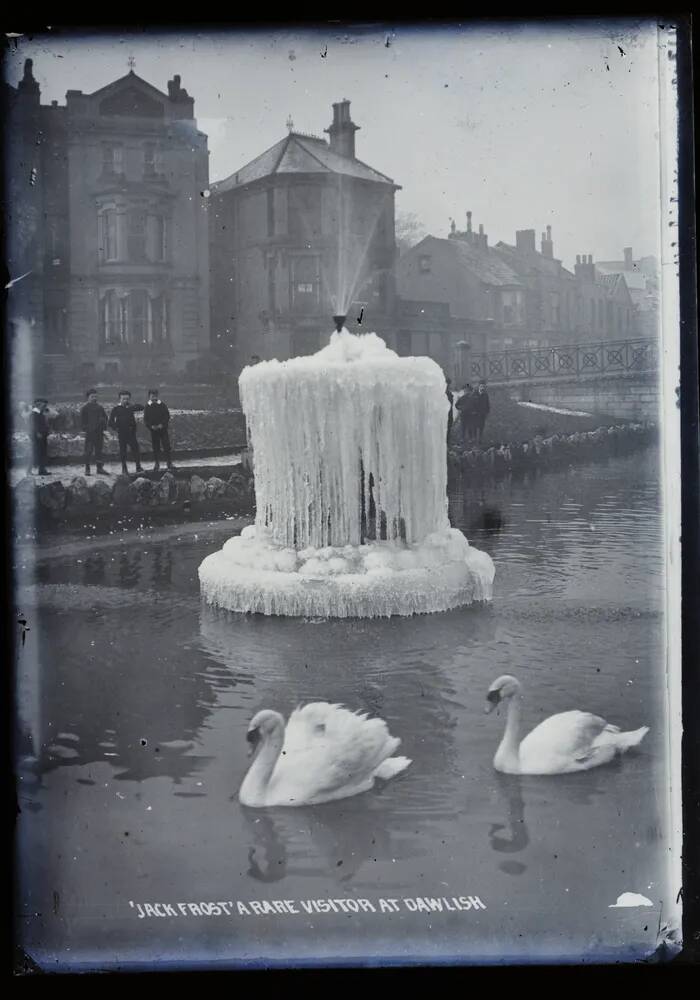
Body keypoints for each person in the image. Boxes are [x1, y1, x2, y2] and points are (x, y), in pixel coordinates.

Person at [109, 390, 144, 475]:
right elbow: (110, 421)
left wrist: (131, 405)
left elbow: (142, 407)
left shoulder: (131, 407)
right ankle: (124, 468)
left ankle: (138, 466)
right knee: (123, 451)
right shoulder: (116, 409)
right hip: (122, 433)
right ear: (119, 399)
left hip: (131, 432)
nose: (125, 401)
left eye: (127, 399)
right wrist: (116, 428)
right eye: (123, 399)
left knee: (135, 449)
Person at [144, 388, 175, 472]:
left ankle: (169, 463)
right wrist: (151, 426)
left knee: (166, 446)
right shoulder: (147, 406)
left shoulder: (162, 405)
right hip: (154, 431)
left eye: (155, 396)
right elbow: (146, 420)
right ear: (149, 396)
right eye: (152, 396)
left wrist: (162, 424)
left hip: (163, 430)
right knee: (156, 447)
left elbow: (167, 416)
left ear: (157, 396)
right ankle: (157, 463)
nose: (154, 397)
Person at [80, 388, 109, 476]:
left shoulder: (100, 407)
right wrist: (87, 429)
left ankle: (99, 468)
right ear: (88, 398)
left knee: (99, 451)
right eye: (92, 397)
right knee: (88, 451)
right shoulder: (84, 408)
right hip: (90, 433)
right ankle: (87, 469)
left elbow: (105, 418)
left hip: (99, 433)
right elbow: (82, 422)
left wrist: (103, 423)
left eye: (96, 397)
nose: (94, 398)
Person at [27, 398, 50, 476]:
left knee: (43, 453)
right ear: (38, 404)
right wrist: (37, 433)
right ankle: (29, 471)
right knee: (35, 453)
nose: (45, 406)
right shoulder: (33, 414)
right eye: (44, 405)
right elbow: (33, 425)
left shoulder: (41, 413)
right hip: (37, 437)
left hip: (43, 436)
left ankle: (42, 470)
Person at [473, 380, 491, 445]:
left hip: (482, 414)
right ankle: (474, 438)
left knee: (481, 426)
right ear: (478, 386)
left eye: (483, 386)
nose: (482, 388)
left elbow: (487, 404)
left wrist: (487, 412)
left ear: (485, 387)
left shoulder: (485, 395)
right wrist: (473, 411)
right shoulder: (474, 394)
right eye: (481, 386)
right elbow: (471, 403)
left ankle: (480, 438)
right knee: (474, 426)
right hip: (475, 414)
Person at [445, 378, 454, 443]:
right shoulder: (442, 393)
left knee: (449, 427)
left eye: (448, 384)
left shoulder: (449, 393)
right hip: (444, 414)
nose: (447, 386)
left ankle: (448, 442)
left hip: (449, 413)